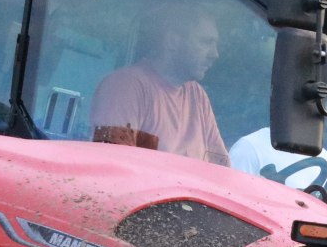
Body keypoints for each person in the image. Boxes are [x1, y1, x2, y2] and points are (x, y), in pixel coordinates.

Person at [90, 11, 228, 165]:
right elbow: (112, 164)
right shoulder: (125, 87)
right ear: (172, 41)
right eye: (205, 42)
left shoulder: (198, 96)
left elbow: (221, 167)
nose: (215, 54)